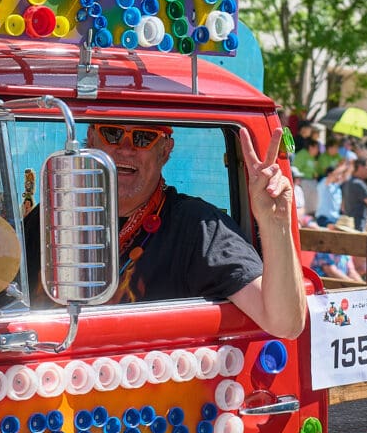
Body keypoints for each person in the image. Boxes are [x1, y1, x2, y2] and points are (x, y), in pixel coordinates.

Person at [26, 123, 305, 339]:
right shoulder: (50, 218)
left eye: (143, 137)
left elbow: (285, 324)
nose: (126, 148)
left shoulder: (199, 228)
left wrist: (275, 223)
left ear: (165, 150)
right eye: (112, 133)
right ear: (91, 139)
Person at [341, 157, 367, 231]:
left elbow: (343, 207)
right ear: (360, 167)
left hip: (349, 225)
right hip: (358, 226)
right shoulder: (359, 184)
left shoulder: (348, 182)